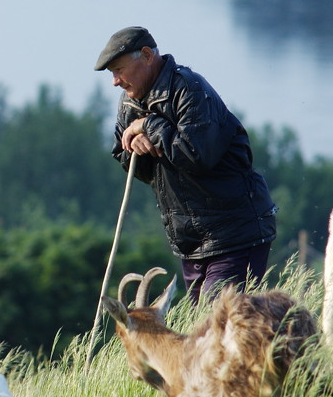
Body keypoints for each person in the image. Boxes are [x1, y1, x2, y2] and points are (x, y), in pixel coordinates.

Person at [95, 26, 277, 305]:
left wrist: (149, 125)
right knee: (207, 335)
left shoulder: (190, 89)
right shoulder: (129, 103)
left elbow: (197, 156)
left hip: (235, 236)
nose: (115, 82)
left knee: (218, 328)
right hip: (191, 246)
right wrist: (136, 150)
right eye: (112, 74)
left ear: (146, 55)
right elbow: (127, 159)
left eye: (119, 69)